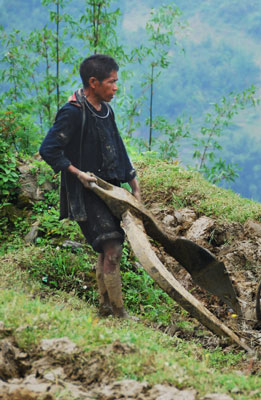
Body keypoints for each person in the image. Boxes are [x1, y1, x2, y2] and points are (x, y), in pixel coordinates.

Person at [39, 54, 140, 319]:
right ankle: (118, 313)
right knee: (112, 248)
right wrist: (77, 173)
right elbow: (49, 149)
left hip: (109, 190)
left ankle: (106, 307)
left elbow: (117, 145)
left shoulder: (106, 110)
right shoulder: (72, 113)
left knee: (108, 248)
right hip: (86, 191)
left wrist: (132, 180)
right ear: (93, 82)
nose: (116, 87)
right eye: (111, 82)